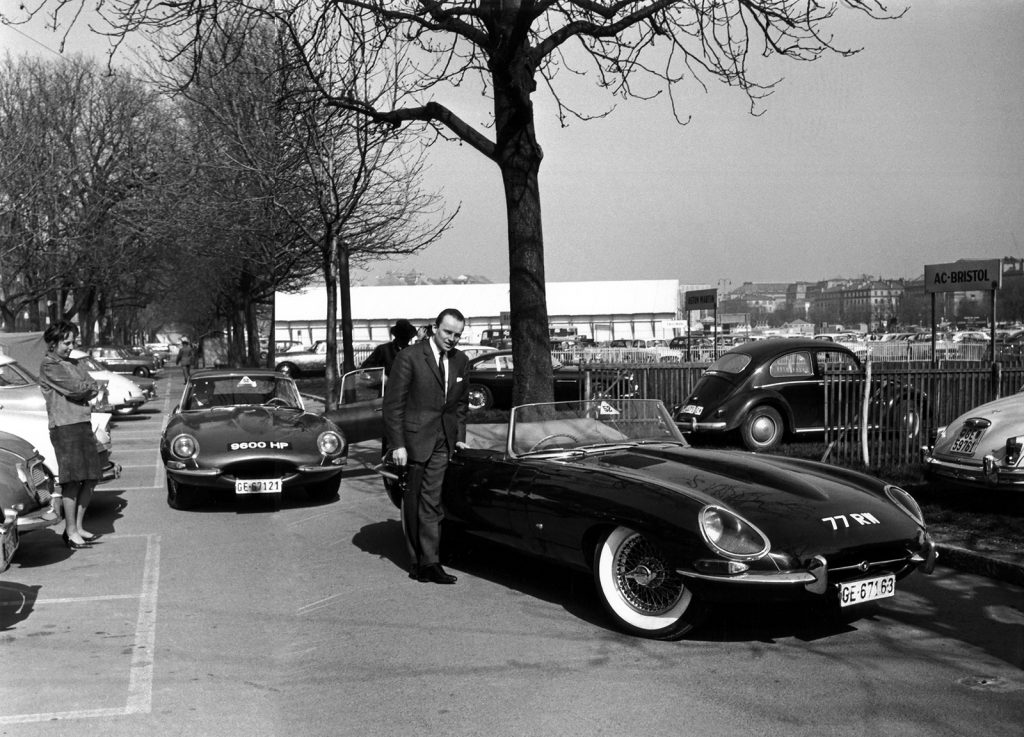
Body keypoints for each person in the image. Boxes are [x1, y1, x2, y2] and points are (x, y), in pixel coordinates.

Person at [383, 308, 469, 585]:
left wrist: (459, 436)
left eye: (457, 335)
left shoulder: (461, 361)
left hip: (443, 441)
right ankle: (416, 562)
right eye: (448, 332)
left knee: (431, 503)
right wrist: (398, 444)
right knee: (413, 502)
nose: (452, 339)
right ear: (435, 328)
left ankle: (431, 563)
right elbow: (393, 405)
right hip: (413, 442)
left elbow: (461, 405)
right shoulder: (409, 357)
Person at [38, 320, 101, 550]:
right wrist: (85, 388)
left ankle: (78, 528)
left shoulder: (74, 363)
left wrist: (85, 388)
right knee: (72, 481)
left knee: (91, 477)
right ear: (53, 343)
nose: (70, 346)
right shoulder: (49, 365)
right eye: (66, 342)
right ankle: (70, 531)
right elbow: (77, 390)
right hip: (65, 427)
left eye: (73, 342)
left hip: (82, 423)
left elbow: (93, 386)